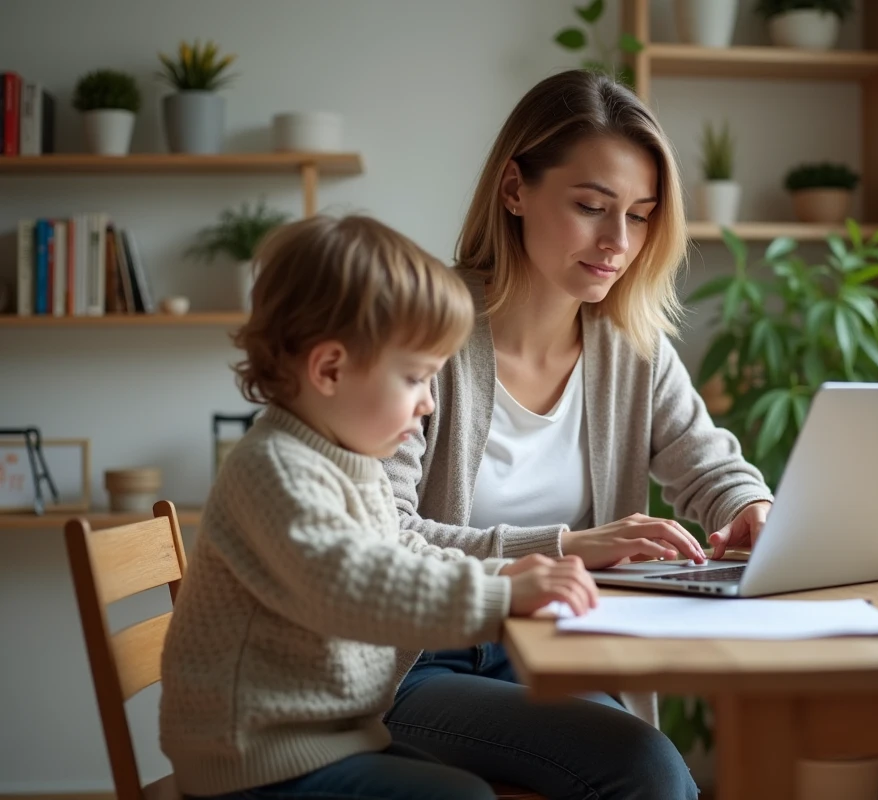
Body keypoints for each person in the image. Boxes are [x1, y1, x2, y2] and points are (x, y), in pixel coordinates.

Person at [381, 69, 775, 799]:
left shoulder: (630, 347)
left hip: (549, 649)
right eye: (592, 206)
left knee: (650, 767)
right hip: (411, 662)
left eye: (641, 215)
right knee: (646, 771)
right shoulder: (417, 329)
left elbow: (707, 465)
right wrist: (565, 547)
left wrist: (751, 508)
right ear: (514, 189)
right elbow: (384, 538)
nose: (617, 242)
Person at [158, 215, 600, 800]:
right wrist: (500, 598)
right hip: (256, 759)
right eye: (416, 378)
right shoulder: (274, 469)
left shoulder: (349, 460)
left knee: (468, 787)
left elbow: (401, 549)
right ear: (330, 369)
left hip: (330, 739)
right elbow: (356, 584)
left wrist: (505, 575)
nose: (427, 403)